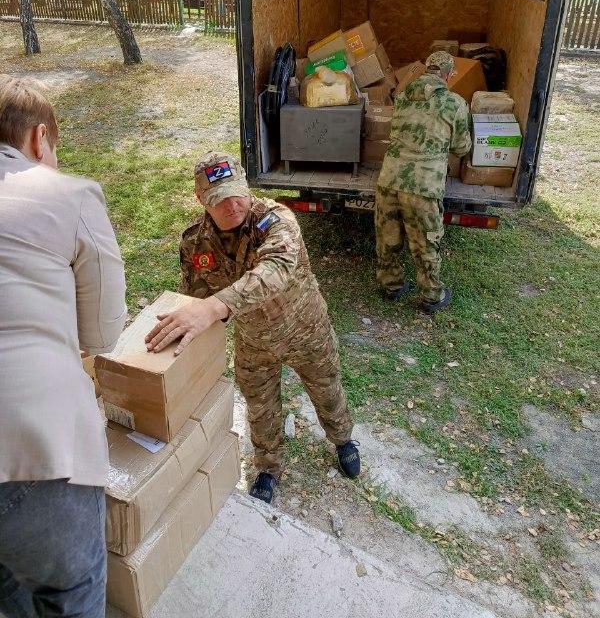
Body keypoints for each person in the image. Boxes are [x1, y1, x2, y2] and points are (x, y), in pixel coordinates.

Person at [145, 152, 360, 505]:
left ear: (246, 186)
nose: (232, 206)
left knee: (327, 389)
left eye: (237, 193)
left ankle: (342, 439)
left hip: (306, 330)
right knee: (260, 407)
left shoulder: (277, 220)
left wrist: (215, 307)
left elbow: (275, 269)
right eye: (219, 199)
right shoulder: (195, 244)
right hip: (253, 342)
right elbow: (194, 299)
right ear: (201, 200)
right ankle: (267, 467)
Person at [0, 75, 127, 618]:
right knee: (69, 593)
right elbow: (100, 335)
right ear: (38, 139)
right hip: (35, 446)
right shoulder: (69, 194)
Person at [375, 51, 472, 314]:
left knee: (388, 236)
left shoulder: (403, 98)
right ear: (449, 76)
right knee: (425, 242)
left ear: (426, 70)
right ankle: (431, 295)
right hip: (423, 186)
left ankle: (390, 285)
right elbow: (462, 147)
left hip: (389, 179)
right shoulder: (455, 104)